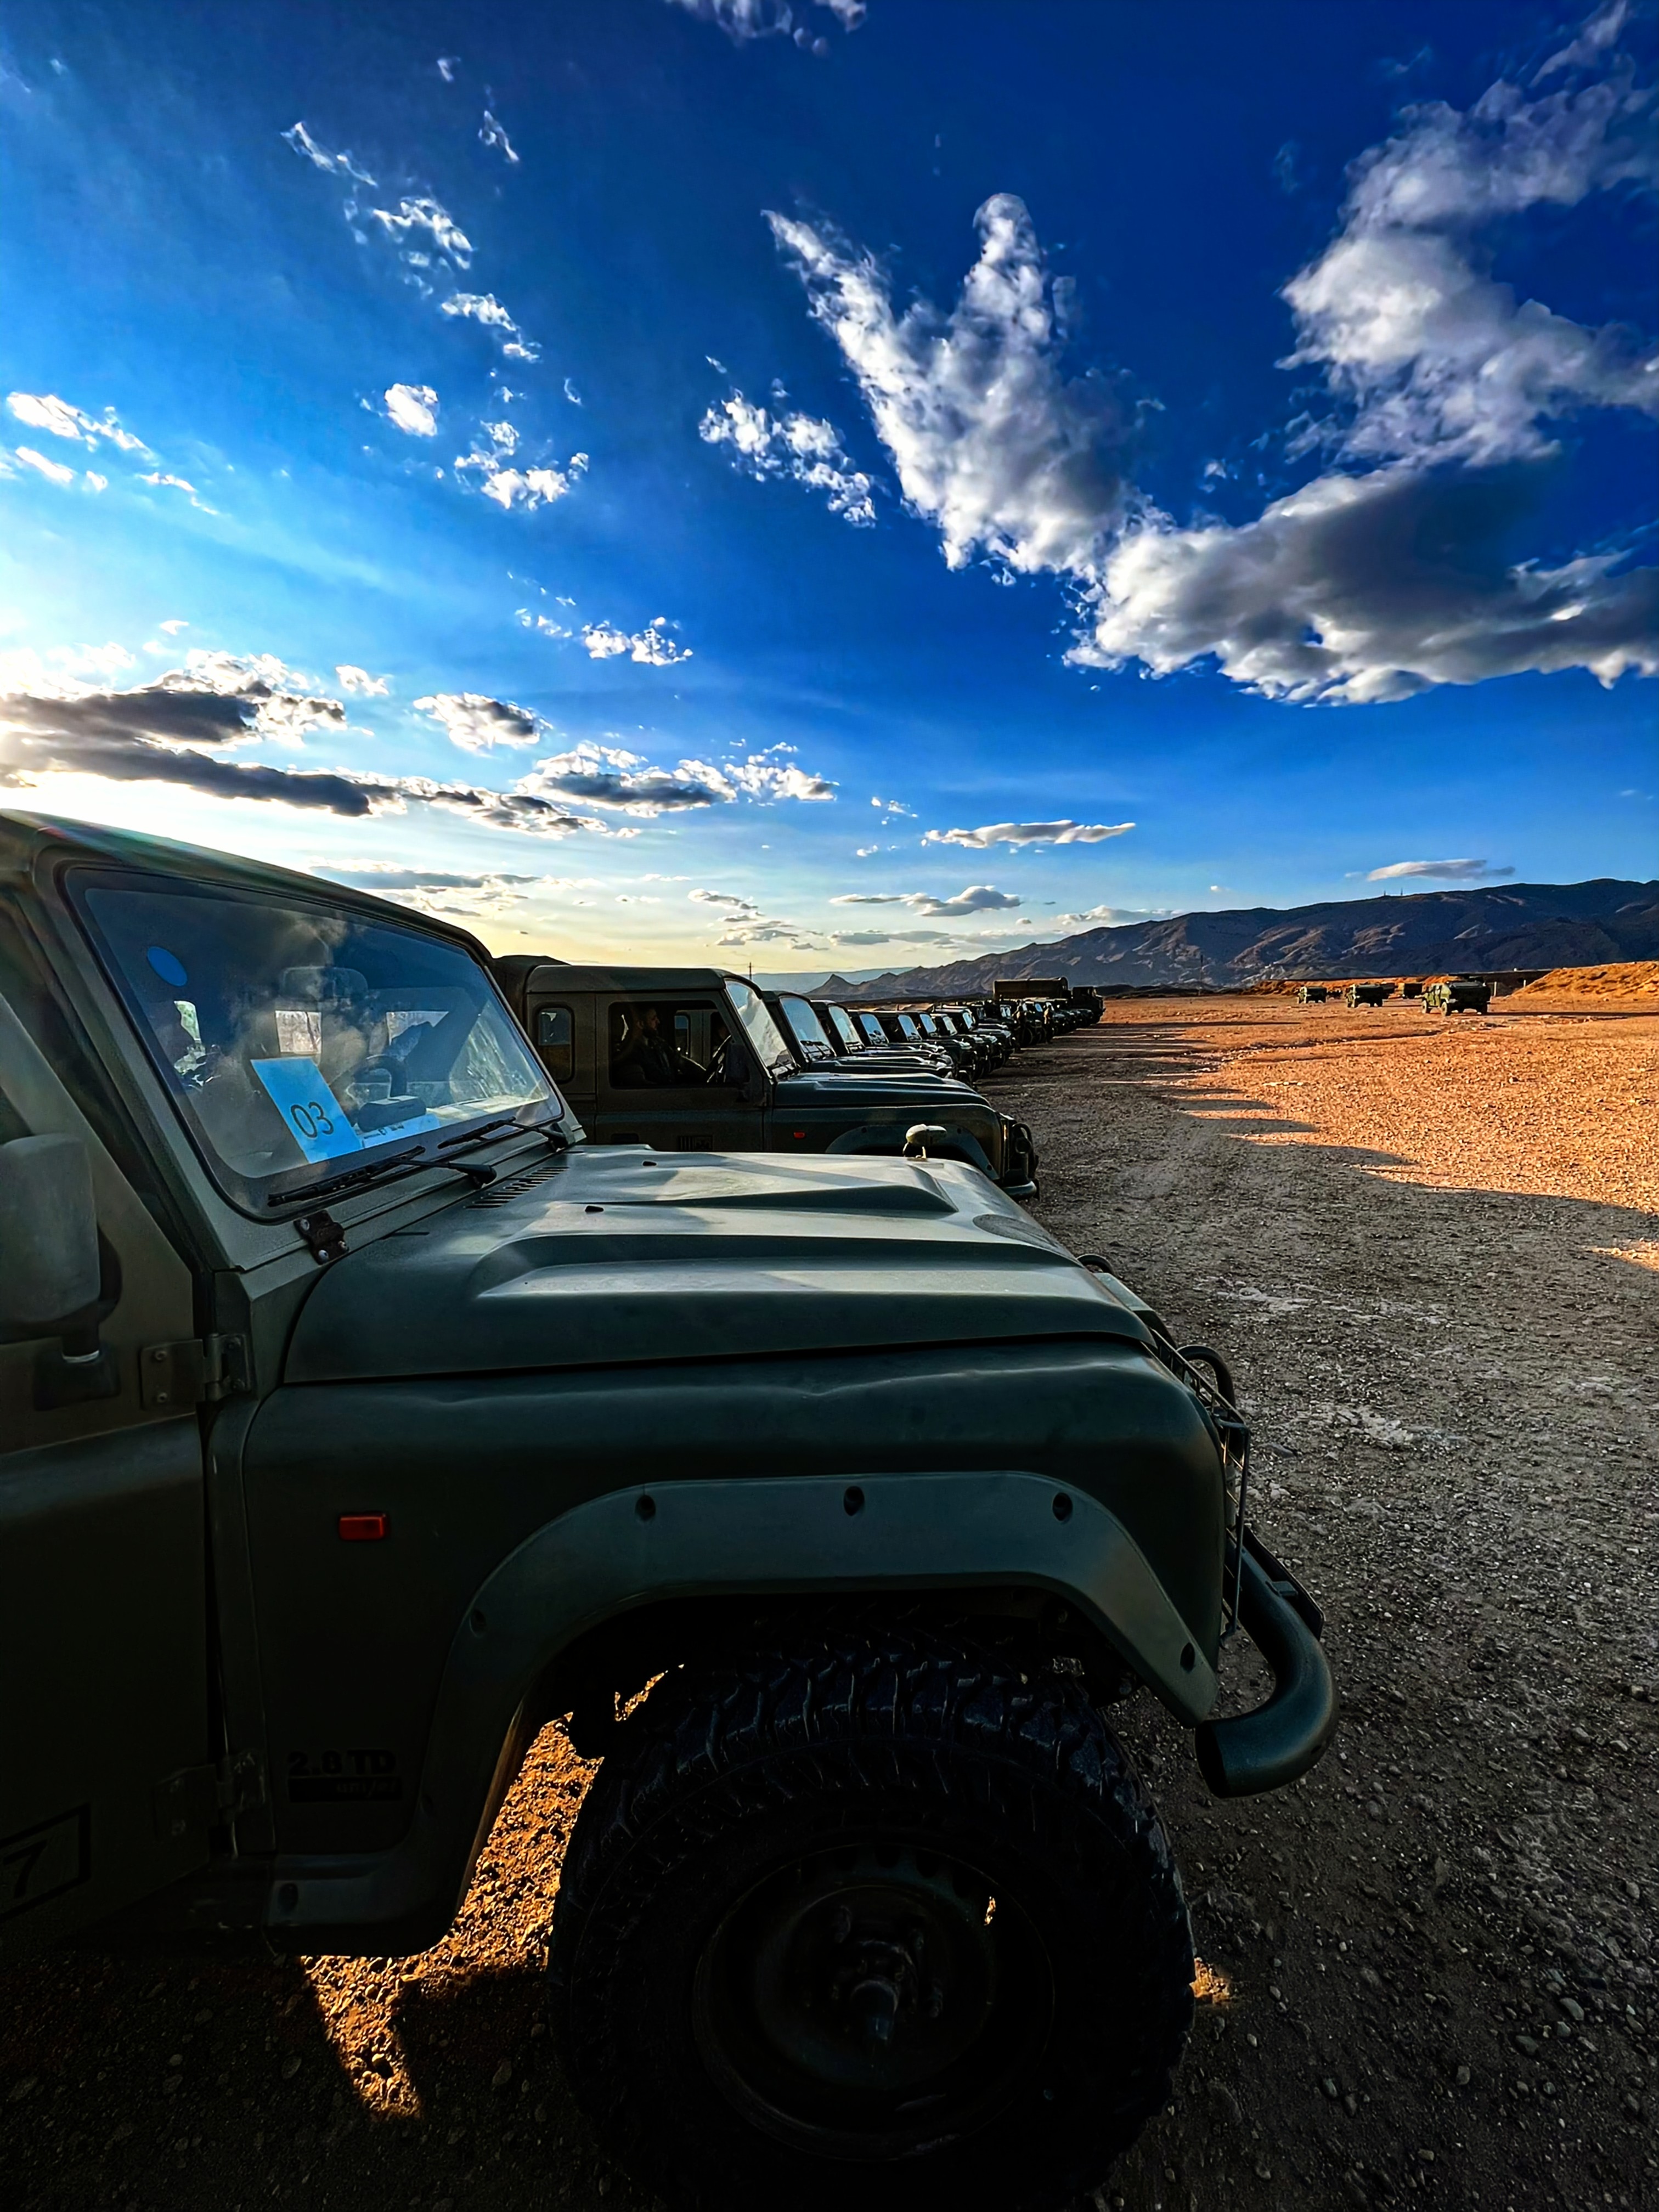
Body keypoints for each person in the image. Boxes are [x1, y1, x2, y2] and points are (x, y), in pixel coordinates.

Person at [611, 1003, 682, 1088]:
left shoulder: (658, 1043)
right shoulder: (629, 1053)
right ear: (641, 1024)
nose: (658, 1022)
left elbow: (681, 1062)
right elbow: (639, 1085)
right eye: (653, 1019)